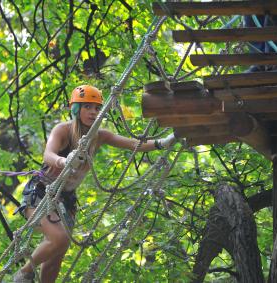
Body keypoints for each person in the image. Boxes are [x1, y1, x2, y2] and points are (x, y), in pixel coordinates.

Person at [13, 85, 176, 283]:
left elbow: (134, 144)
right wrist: (64, 161)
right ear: (76, 109)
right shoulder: (63, 130)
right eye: (87, 107)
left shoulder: (99, 136)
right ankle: (25, 273)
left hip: (65, 200)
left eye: (97, 108)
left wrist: (162, 143)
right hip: (42, 193)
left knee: (58, 253)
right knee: (60, 239)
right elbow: (48, 155)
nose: (93, 112)